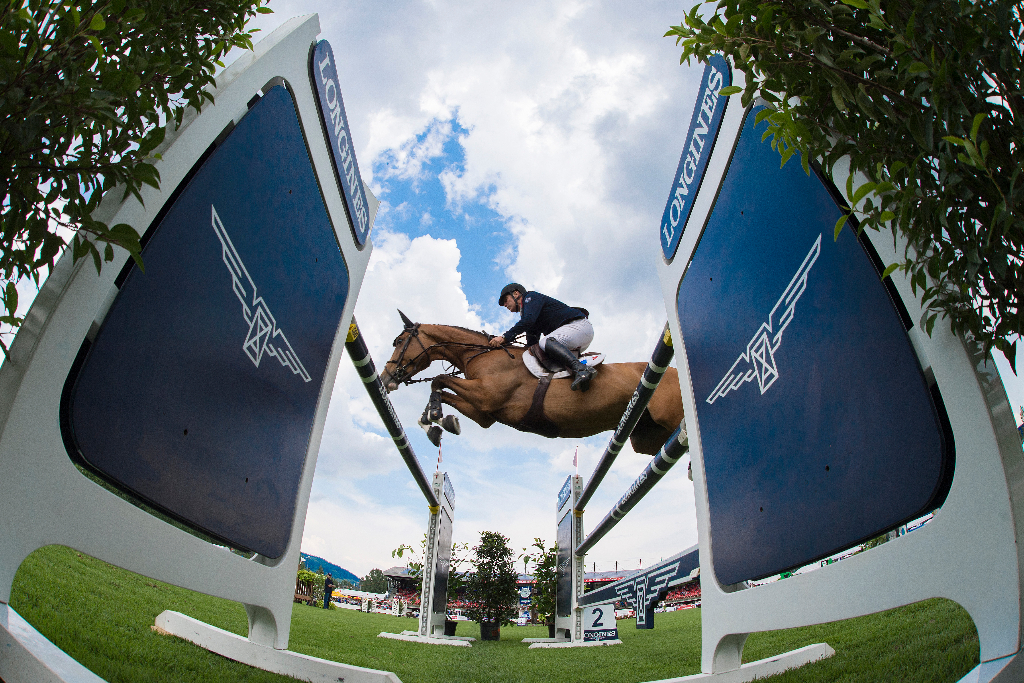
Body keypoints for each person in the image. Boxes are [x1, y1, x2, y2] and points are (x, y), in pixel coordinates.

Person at [488, 283, 596, 391]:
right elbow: (531, 344)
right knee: (536, 350)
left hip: (578, 326)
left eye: (505, 300)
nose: (505, 304)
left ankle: (581, 369)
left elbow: (527, 321)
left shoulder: (530, 297)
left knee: (545, 342)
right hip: (570, 337)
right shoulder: (529, 315)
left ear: (516, 293)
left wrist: (504, 337)